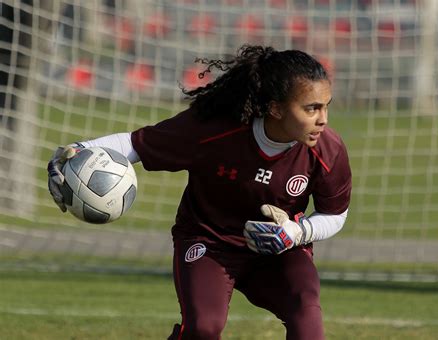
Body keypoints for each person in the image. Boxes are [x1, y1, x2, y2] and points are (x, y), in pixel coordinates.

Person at [48, 45, 352, 340]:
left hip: (279, 249)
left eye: (326, 106)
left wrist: (295, 233)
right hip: (209, 243)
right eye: (311, 108)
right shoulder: (214, 130)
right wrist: (79, 151)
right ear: (274, 107)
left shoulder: (328, 149)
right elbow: (136, 145)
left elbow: (335, 214)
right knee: (203, 329)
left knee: (306, 314)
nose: (323, 118)